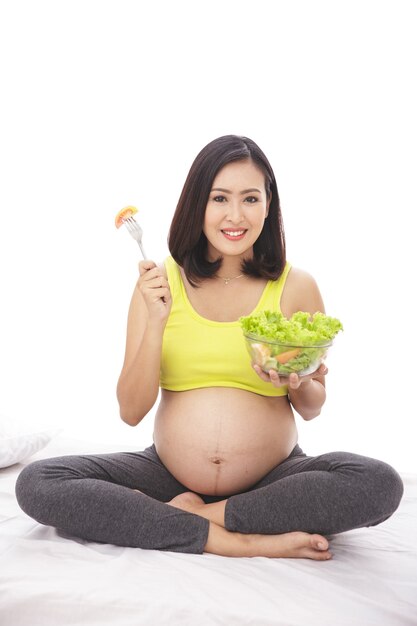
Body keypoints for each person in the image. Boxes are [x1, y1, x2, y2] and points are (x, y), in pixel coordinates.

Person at [15, 135, 403, 560]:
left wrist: (299, 382)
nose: (235, 215)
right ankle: (232, 539)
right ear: (197, 203)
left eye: (250, 199)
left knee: (378, 482)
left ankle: (201, 516)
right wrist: (157, 319)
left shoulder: (296, 286)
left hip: (272, 479)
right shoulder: (158, 283)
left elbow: (312, 407)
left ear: (268, 205)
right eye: (220, 198)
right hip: (166, 473)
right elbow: (131, 412)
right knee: (39, 482)